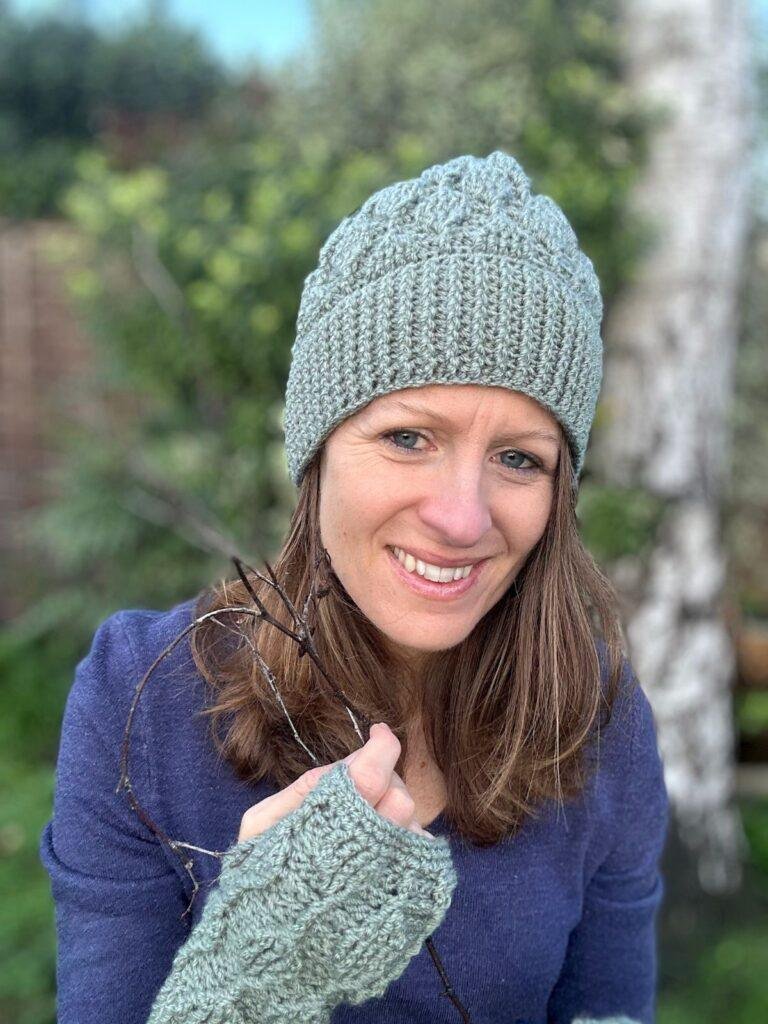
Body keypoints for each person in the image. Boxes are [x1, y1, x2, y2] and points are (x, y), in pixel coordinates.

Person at [39, 150, 669, 1024]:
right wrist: (258, 982)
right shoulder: (138, 699)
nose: (460, 516)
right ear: (318, 450)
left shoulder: (599, 723)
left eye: (519, 458)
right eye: (409, 437)